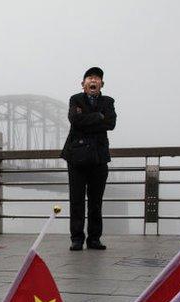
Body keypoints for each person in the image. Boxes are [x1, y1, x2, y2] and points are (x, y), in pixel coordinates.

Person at [61, 66, 116, 251]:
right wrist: (98, 117)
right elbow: (75, 121)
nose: (93, 80)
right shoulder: (75, 99)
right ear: (83, 84)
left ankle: (94, 239)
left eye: (97, 78)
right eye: (90, 78)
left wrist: (88, 119)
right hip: (76, 158)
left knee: (96, 202)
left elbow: (111, 123)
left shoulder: (108, 101)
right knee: (76, 200)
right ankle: (77, 238)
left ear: (102, 84)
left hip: (99, 159)